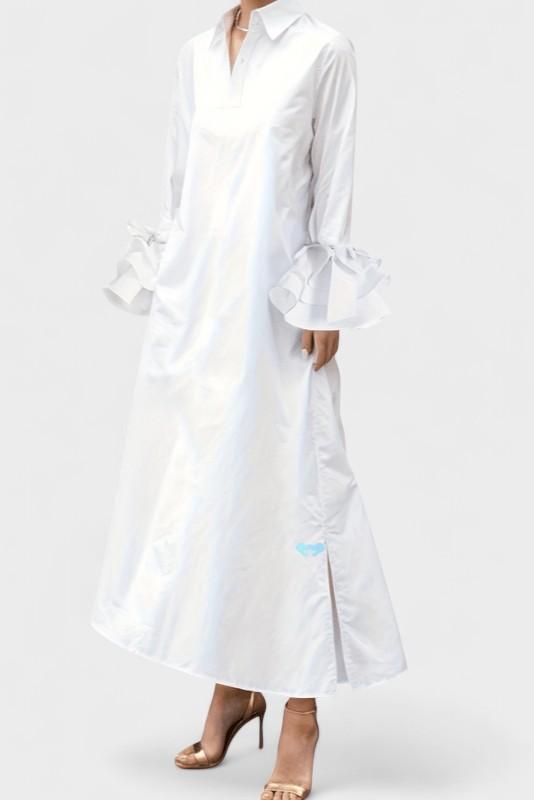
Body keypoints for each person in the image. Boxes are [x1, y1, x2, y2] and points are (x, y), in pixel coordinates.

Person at [92, 1, 407, 797]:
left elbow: (333, 177)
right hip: (200, 310)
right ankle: (234, 687)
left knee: (293, 492)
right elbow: (180, 188)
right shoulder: (195, 55)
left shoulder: (323, 51)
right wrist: (168, 296)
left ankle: (300, 709)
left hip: (277, 308)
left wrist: (325, 297)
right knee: (211, 491)